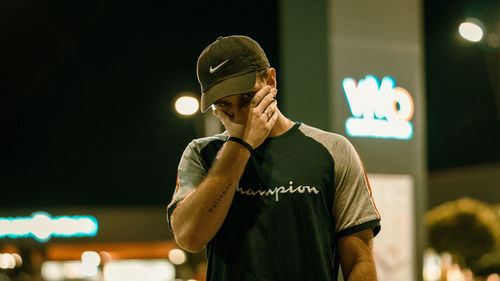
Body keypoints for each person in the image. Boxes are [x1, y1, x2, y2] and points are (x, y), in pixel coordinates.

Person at [166, 35, 381, 281]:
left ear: (270, 80)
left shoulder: (332, 150)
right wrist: (240, 145)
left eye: (247, 97)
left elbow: (359, 260)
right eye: (225, 104)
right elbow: (189, 237)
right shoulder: (202, 154)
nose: (239, 113)